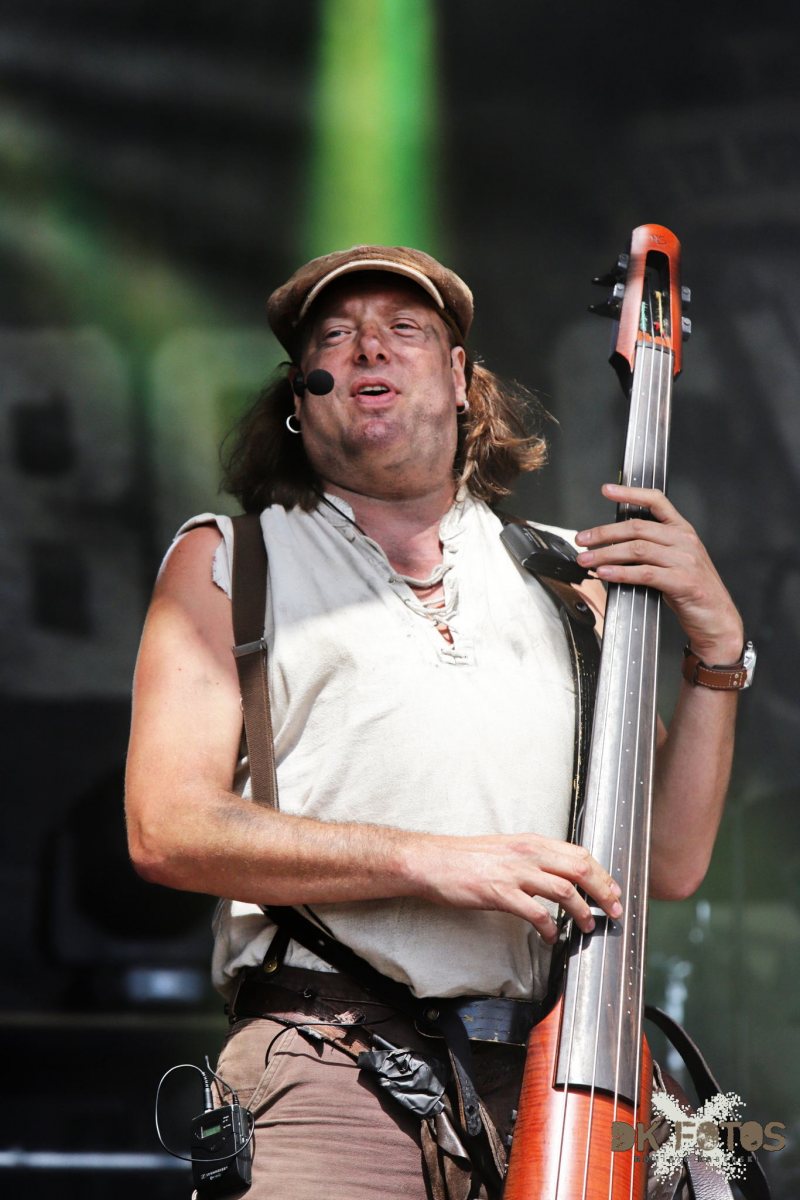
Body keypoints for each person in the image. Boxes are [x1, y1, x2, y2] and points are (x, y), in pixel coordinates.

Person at [125, 245, 749, 1199]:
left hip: (556, 1068)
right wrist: (436, 861)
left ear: (460, 380)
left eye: (403, 330)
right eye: (336, 337)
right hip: (330, 1058)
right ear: (301, 396)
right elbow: (165, 828)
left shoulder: (565, 580)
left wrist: (718, 652)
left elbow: (667, 862)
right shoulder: (232, 561)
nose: (369, 348)